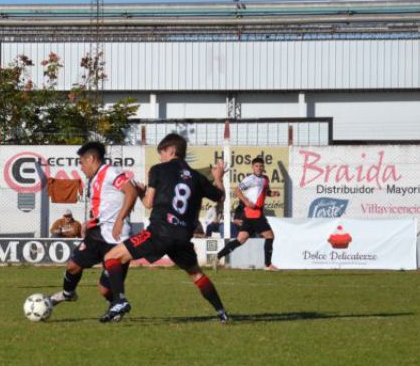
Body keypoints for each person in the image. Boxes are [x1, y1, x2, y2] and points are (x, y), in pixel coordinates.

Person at [100, 133, 230, 324]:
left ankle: (119, 301)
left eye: (161, 152)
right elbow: (220, 197)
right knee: (196, 273)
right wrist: (218, 177)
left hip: (159, 232)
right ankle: (221, 312)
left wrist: (140, 193)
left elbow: (149, 203)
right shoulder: (198, 177)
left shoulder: (158, 170)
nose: (160, 157)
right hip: (183, 237)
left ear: (171, 151)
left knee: (111, 256)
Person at [49, 142, 139, 321]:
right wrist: (90, 222)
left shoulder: (111, 172)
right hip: (98, 233)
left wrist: (120, 220)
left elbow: (131, 192)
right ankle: (68, 293)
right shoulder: (95, 178)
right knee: (73, 266)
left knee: (104, 289)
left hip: (116, 236)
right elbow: (106, 206)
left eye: (81, 162)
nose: (81, 167)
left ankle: (116, 306)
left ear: (91, 159)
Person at [216, 156, 278, 271]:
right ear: (252, 167)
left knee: (241, 239)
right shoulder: (250, 179)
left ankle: (218, 256)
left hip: (251, 215)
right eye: (256, 166)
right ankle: (268, 265)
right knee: (270, 236)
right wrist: (246, 202)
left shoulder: (265, 179)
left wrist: (271, 193)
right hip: (255, 214)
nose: (258, 168)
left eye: (260, 166)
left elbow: (265, 191)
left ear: (263, 167)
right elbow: (237, 190)